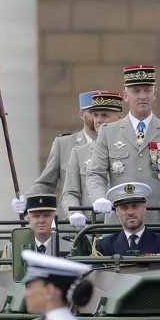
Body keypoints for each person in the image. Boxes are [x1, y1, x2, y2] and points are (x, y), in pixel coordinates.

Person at [86, 65, 160, 222]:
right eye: (136, 91)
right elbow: (96, 173)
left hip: (159, 219)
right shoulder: (108, 132)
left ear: (154, 94)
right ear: (125, 95)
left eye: (147, 90)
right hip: (120, 220)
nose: (142, 96)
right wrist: (99, 197)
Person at [13, 91, 99, 217]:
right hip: (70, 224)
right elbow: (46, 183)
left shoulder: (115, 143)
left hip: (107, 223)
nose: (98, 118)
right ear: (82, 114)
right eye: (93, 113)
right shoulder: (64, 144)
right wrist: (27, 200)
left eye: (103, 113)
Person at [62, 91, 124, 228]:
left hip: (126, 226)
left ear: (120, 118)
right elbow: (70, 193)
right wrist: (74, 213)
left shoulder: (132, 149)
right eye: (95, 115)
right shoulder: (79, 153)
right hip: (92, 228)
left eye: (105, 115)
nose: (98, 120)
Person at [94, 182, 160, 256]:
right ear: (117, 211)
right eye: (124, 208)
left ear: (144, 208)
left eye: (135, 207)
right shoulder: (104, 245)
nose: (130, 212)